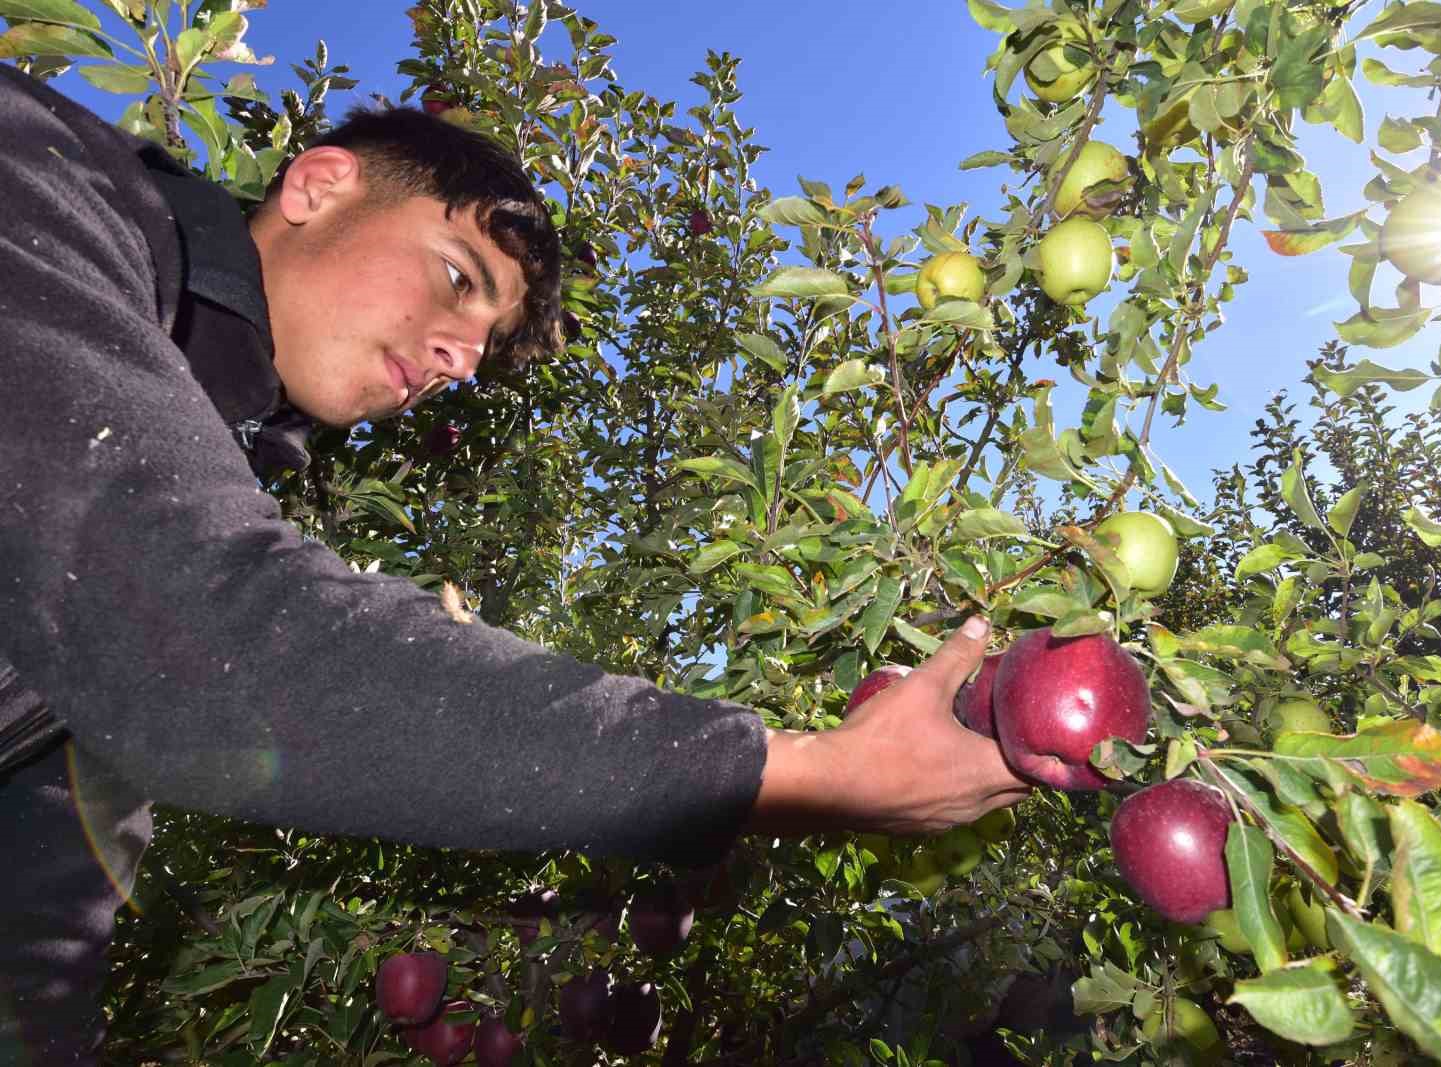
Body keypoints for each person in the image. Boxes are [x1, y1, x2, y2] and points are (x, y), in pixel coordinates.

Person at [0, 63, 1030, 1064]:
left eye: (480, 346)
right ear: (318, 183)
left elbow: (50, 868)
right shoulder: (39, 181)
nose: (455, 358)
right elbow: (206, 635)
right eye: (458, 278)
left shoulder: (180, 476)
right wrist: (802, 768)